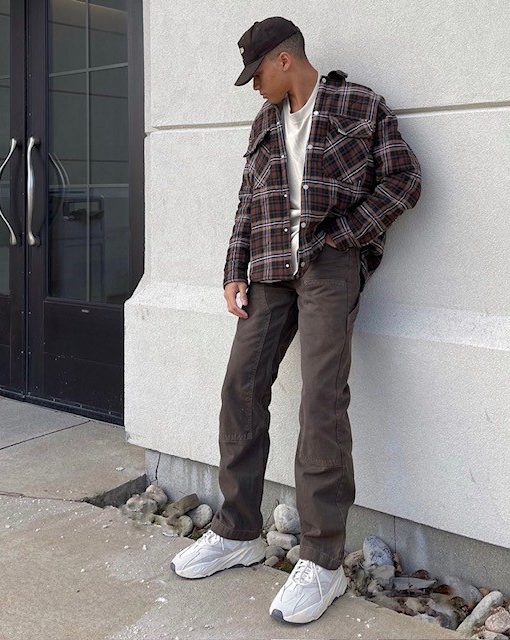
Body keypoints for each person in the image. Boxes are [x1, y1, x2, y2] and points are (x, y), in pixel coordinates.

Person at [170, 16, 422, 625]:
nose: (253, 86)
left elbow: (404, 178)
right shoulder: (263, 124)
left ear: (284, 60)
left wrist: (345, 239)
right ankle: (238, 533)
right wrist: (235, 269)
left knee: (320, 399)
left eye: (256, 73)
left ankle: (323, 562)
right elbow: (247, 206)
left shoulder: (358, 105)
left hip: (330, 265)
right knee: (241, 385)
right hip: (271, 268)